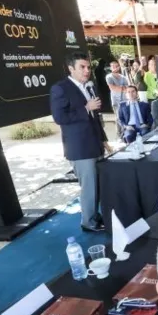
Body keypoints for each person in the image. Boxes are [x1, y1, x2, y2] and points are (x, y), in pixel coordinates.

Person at [50, 52, 112, 233]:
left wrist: (103, 140)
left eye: (88, 67)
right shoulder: (61, 88)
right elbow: (59, 117)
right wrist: (86, 108)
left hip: (95, 144)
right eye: (82, 67)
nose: (87, 71)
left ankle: (95, 215)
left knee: (97, 185)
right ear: (71, 69)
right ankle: (88, 222)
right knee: (89, 186)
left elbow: (94, 117)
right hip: (80, 148)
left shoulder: (88, 87)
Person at [105, 60, 128, 137]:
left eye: (116, 66)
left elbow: (127, 88)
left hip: (125, 100)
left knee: (125, 117)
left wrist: (121, 88)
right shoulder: (109, 77)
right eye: (113, 66)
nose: (115, 67)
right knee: (119, 118)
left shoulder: (123, 77)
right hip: (116, 101)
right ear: (110, 68)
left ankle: (126, 133)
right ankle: (120, 136)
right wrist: (122, 88)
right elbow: (112, 88)